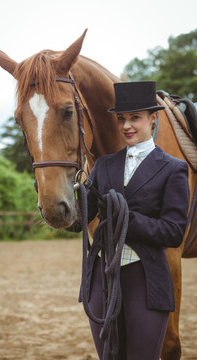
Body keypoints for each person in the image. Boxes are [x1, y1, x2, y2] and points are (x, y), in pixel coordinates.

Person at [80, 81, 190, 360]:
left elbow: (174, 233)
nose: (127, 125)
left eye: (135, 118)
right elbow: (79, 218)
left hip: (145, 277)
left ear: (153, 118)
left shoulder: (173, 168)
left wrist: (125, 218)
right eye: (121, 119)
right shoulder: (103, 165)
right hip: (102, 279)